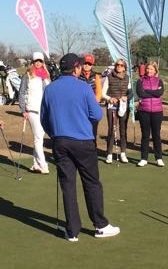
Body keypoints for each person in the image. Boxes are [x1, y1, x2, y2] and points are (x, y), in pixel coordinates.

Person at [41, 53, 120, 241]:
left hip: (60, 142)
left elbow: (44, 118)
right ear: (76, 68)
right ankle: (100, 225)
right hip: (83, 141)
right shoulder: (83, 87)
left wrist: (55, 134)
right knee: (91, 183)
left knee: (68, 185)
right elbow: (96, 115)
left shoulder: (50, 89)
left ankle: (72, 231)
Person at [18, 52, 51, 174]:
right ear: (32, 62)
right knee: (38, 138)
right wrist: (23, 109)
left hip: (44, 111)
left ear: (43, 62)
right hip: (32, 110)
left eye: (40, 61)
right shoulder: (27, 75)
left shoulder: (46, 76)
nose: (38, 63)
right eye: (36, 61)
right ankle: (43, 165)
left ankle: (36, 164)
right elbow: (22, 93)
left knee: (40, 137)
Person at [135, 60, 165, 166]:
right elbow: (140, 93)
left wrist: (147, 91)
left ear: (155, 70)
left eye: (151, 69)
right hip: (144, 111)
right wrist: (153, 93)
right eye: (147, 68)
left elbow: (159, 93)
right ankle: (144, 158)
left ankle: (159, 158)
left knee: (156, 135)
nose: (149, 70)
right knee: (145, 135)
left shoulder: (159, 81)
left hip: (157, 111)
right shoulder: (140, 81)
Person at [101, 58, 131, 164]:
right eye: (117, 65)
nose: (119, 66)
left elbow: (130, 93)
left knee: (123, 130)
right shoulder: (109, 77)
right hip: (112, 106)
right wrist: (110, 98)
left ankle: (123, 153)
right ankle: (109, 154)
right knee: (112, 130)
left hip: (123, 107)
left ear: (124, 68)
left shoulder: (127, 78)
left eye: (121, 65)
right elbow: (103, 93)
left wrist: (127, 97)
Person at [78, 53, 104, 146]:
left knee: (93, 130)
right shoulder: (77, 75)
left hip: (92, 106)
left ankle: (93, 148)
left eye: (89, 64)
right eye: (85, 63)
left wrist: (93, 103)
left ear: (92, 65)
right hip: (80, 107)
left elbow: (99, 92)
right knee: (81, 129)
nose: (87, 65)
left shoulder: (96, 76)